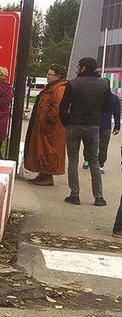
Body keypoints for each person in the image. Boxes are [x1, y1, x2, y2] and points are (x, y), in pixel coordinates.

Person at [59, 57, 111, 206]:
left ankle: (74, 195)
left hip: (74, 125)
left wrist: (66, 122)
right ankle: (99, 197)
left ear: (83, 68)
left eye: (78, 66)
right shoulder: (104, 83)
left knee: (73, 160)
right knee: (94, 161)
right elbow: (107, 107)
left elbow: (63, 107)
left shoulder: (73, 83)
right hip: (93, 126)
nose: (77, 69)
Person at [23, 63, 68, 186]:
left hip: (50, 128)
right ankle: (42, 174)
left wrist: (48, 120)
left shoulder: (59, 89)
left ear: (58, 76)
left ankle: (47, 176)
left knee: (48, 151)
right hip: (44, 125)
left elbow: (57, 108)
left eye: (50, 74)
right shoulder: (51, 88)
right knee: (40, 150)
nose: (47, 76)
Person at [83, 79, 120, 173]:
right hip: (93, 124)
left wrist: (117, 127)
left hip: (105, 126)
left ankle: (100, 164)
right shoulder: (94, 97)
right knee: (89, 143)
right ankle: (87, 159)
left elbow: (116, 113)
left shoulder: (114, 98)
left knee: (103, 146)